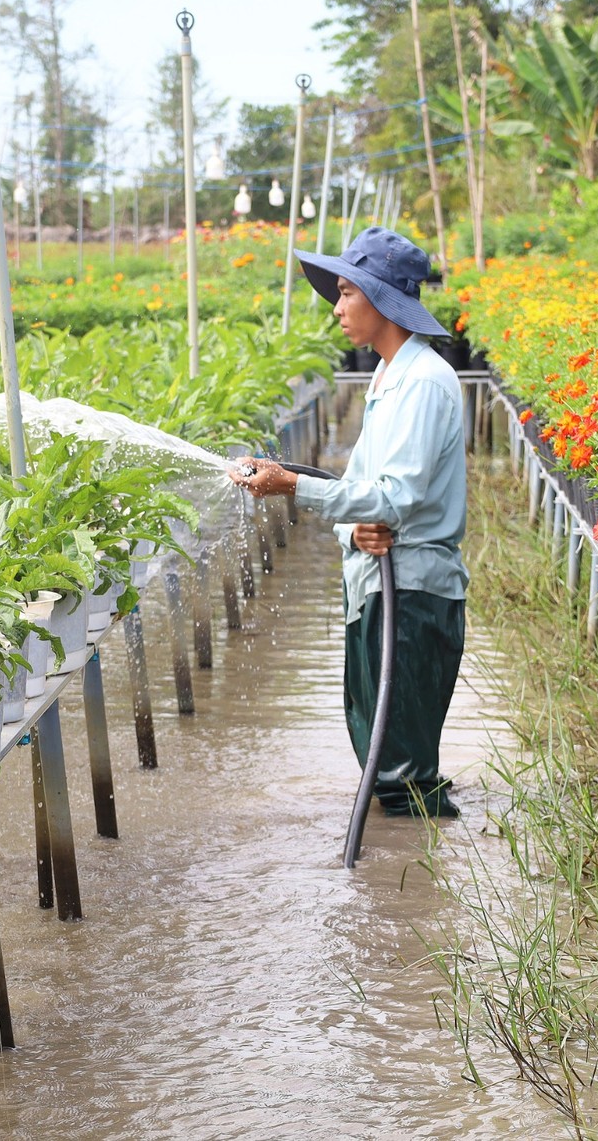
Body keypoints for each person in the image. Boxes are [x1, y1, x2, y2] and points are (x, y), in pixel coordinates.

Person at [230, 226, 468, 818]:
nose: (336, 309)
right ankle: (402, 880)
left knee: (402, 777)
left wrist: (291, 486)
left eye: (345, 293)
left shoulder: (424, 382)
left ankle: (413, 893)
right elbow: (363, 494)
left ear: (383, 299)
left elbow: (396, 497)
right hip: (382, 586)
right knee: (382, 757)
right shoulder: (390, 377)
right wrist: (348, 526)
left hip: (410, 595)